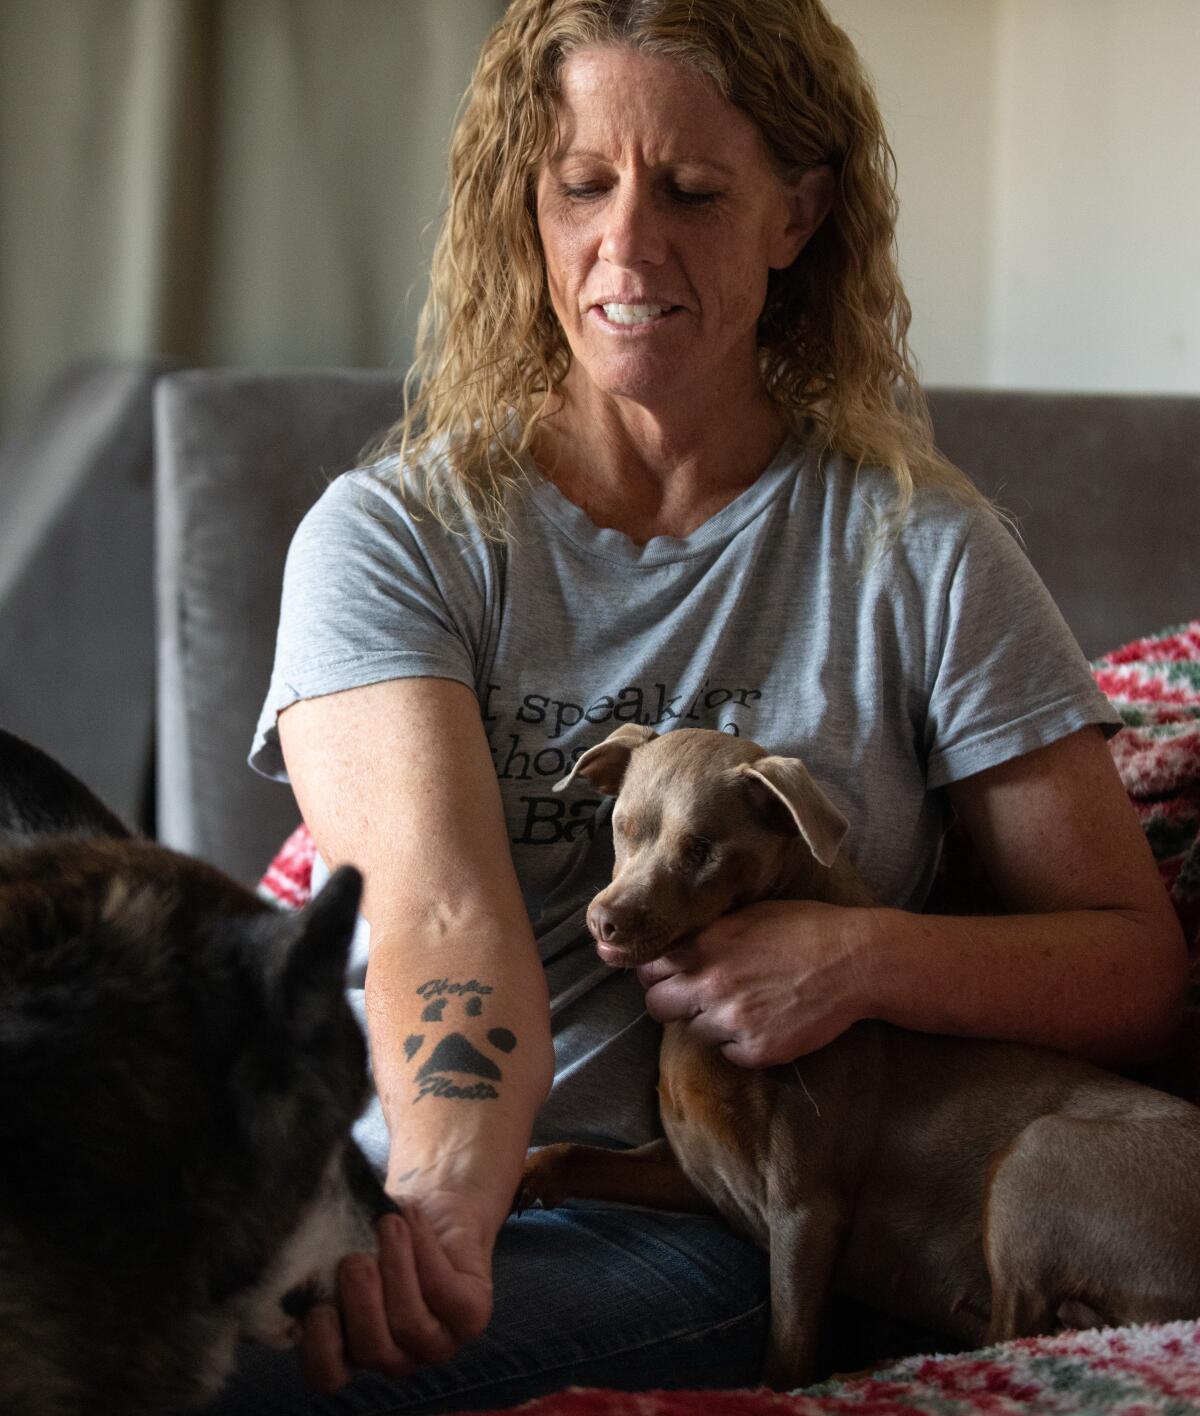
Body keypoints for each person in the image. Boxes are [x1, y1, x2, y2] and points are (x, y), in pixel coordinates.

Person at [221, 0, 1187, 1410]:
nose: (629, 244)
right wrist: (438, 1207)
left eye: (691, 190)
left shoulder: (920, 554)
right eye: (582, 186)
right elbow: (439, 917)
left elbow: (1135, 969)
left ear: (796, 215)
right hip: (394, 1176)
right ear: (526, 210)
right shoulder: (396, 537)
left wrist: (861, 958)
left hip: (688, 1223)